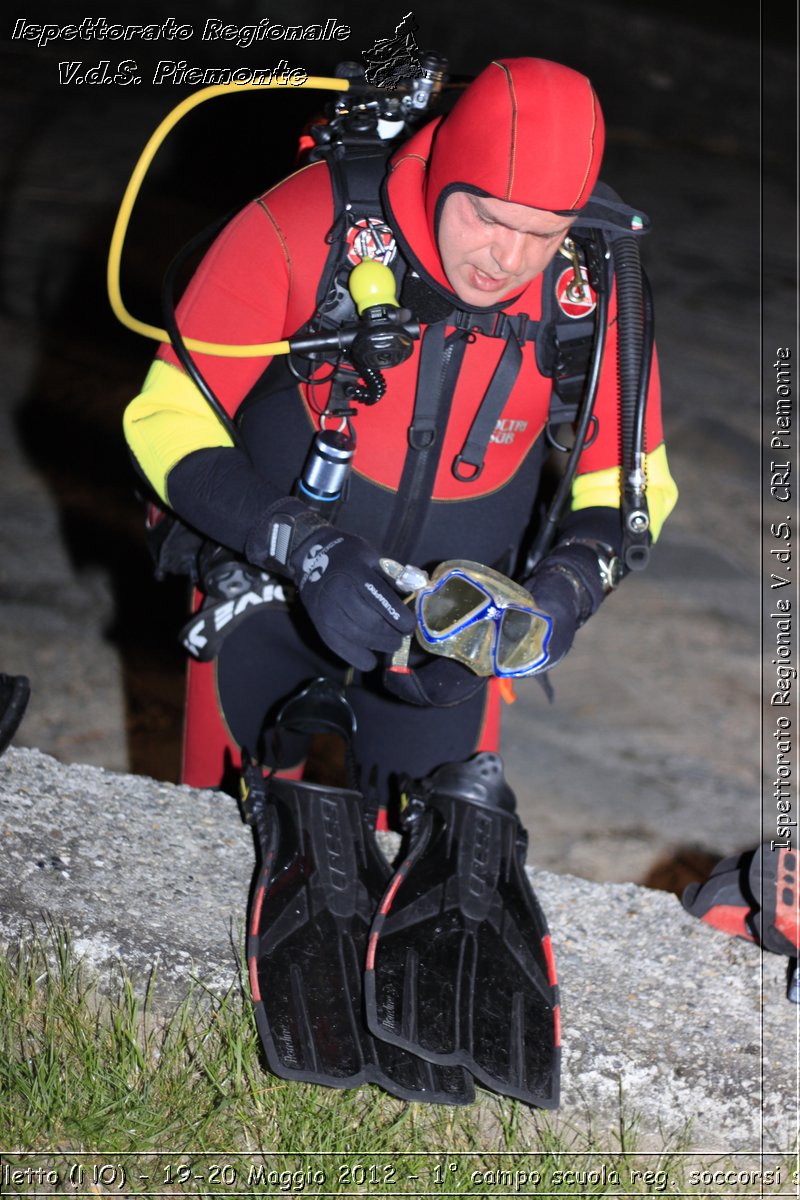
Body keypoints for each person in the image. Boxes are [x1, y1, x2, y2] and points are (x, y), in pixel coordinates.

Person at [123, 56, 678, 807]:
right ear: (442, 170)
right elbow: (165, 416)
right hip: (267, 590)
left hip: (452, 638)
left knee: (440, 879)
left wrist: (570, 585)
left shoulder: (593, 286)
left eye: (543, 233)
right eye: (487, 216)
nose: (507, 260)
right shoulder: (304, 223)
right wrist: (302, 547)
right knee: (212, 852)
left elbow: (634, 482)